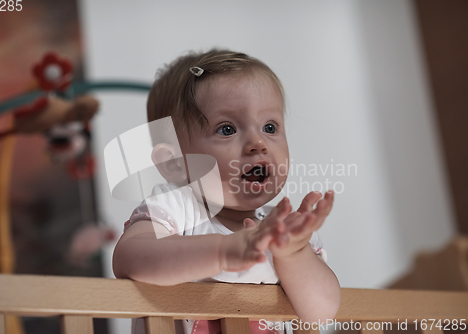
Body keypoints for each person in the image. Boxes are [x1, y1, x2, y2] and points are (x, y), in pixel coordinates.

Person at [112, 49, 341, 334]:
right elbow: (129, 257)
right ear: (175, 164)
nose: (258, 142)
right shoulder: (176, 209)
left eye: (270, 127)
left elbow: (323, 312)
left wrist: (294, 255)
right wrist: (222, 251)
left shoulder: (285, 232)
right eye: (227, 129)